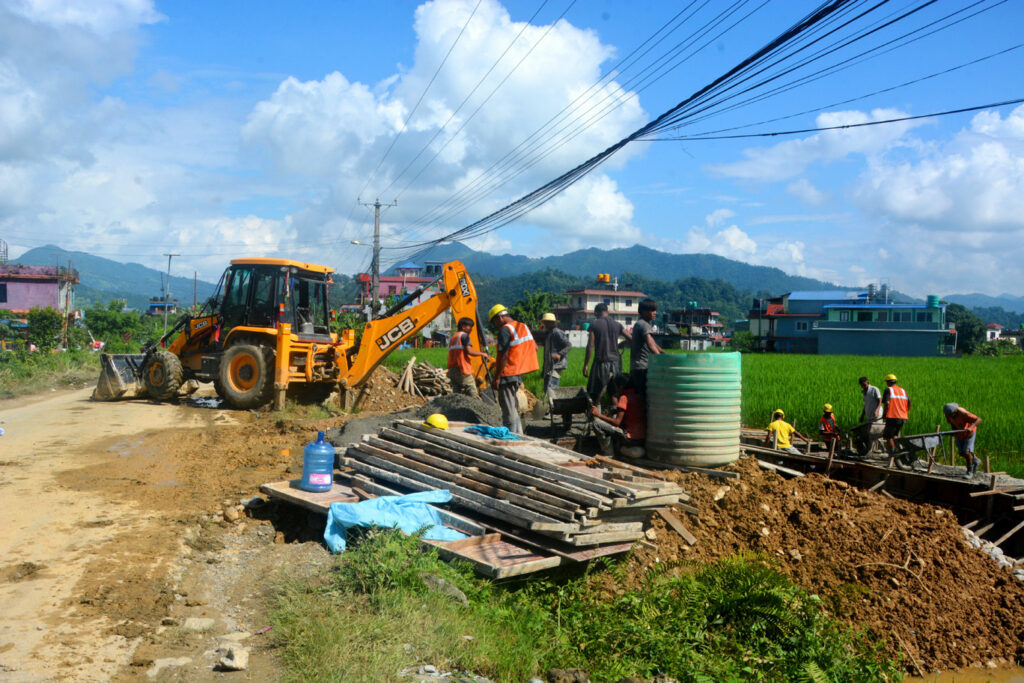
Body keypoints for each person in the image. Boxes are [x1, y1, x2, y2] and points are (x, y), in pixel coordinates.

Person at [489, 304, 538, 435]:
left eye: (494, 322)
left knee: (508, 408)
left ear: (499, 318)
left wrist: (497, 377)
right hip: (518, 372)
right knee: (513, 407)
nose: (495, 325)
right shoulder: (523, 326)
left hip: (507, 372)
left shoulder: (505, 330)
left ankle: (510, 437)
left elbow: (504, 355)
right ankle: (518, 434)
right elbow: (535, 348)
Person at [590, 374, 646, 458]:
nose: (616, 389)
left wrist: (598, 414)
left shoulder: (624, 398)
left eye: (616, 387)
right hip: (642, 438)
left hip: (630, 438)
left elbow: (617, 422)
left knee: (596, 424)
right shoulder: (639, 396)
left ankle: (609, 455)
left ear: (621, 387)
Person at [583, 303, 631, 402]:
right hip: (615, 363)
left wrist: (586, 365)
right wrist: (622, 344)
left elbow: (590, 345)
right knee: (613, 391)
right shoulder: (617, 324)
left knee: (595, 391)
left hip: (601, 362)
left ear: (596, 313)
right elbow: (631, 339)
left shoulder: (594, 324)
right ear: (607, 312)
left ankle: (596, 413)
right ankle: (615, 413)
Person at [447, 317, 490, 398]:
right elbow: (469, 351)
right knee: (472, 390)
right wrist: (482, 354)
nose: (471, 329)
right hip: (462, 369)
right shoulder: (464, 336)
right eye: (470, 327)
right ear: (463, 327)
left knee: (457, 393)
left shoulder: (453, 337)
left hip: (452, 369)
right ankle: (476, 409)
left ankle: (456, 409)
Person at [630, 298, 663, 396]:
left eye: (655, 310)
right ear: (644, 312)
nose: (655, 313)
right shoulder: (644, 325)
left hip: (636, 367)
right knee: (643, 398)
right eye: (652, 310)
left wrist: (663, 353)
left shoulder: (640, 324)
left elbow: (654, 344)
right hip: (642, 367)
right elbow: (651, 345)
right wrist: (661, 360)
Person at [943, 403, 983, 478]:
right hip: (960, 433)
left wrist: (971, 427)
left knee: (966, 452)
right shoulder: (948, 415)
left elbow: (978, 419)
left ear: (955, 412)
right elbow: (952, 423)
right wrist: (953, 431)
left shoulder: (964, 413)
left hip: (969, 433)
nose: (950, 417)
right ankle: (975, 460)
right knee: (961, 453)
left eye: (952, 415)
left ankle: (970, 471)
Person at [540, 312, 572, 396]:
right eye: (544, 322)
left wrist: (559, 354)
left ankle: (554, 407)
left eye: (547, 322)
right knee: (547, 389)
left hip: (556, 366)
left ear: (552, 323)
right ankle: (550, 407)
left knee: (552, 388)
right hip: (548, 366)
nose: (545, 324)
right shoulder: (548, 334)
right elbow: (546, 353)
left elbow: (569, 345)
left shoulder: (557, 333)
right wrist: (543, 369)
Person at [881, 373, 910, 456]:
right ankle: (899, 452)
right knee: (895, 435)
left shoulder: (888, 390)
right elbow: (909, 403)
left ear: (888, 382)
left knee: (888, 436)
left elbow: (887, 404)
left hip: (892, 416)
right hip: (903, 417)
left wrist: (884, 414)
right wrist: (905, 412)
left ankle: (893, 454)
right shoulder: (903, 391)